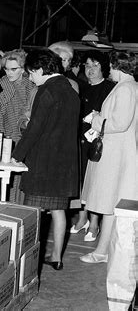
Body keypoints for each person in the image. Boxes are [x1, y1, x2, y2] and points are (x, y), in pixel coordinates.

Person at [11, 49, 80, 270]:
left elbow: (35, 129)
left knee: (34, 213)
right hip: (64, 164)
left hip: (43, 163)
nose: (30, 78)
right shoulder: (70, 90)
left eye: (31, 73)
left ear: (40, 70)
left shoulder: (46, 91)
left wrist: (16, 155)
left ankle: (31, 261)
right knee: (59, 211)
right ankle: (57, 257)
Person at [80, 51, 137, 264]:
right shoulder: (132, 87)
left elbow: (119, 123)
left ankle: (102, 252)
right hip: (120, 154)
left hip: (115, 155)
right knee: (112, 206)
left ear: (117, 66)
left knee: (109, 204)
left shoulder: (124, 89)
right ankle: (104, 250)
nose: (108, 69)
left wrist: (97, 119)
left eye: (111, 65)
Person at [70, 50, 115, 242]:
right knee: (81, 181)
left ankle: (94, 223)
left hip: (99, 142)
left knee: (95, 183)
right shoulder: (81, 87)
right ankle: (82, 218)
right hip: (80, 141)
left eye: (95, 65)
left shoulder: (111, 88)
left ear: (103, 68)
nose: (90, 70)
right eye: (87, 65)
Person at [0, 49, 36, 202]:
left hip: (29, 141)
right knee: (7, 185)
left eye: (13, 69)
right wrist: (1, 144)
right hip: (8, 141)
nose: (9, 73)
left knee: (25, 186)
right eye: (6, 69)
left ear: (23, 69)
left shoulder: (32, 86)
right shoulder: (0, 86)